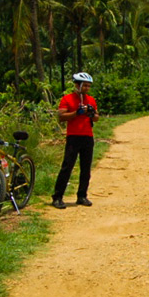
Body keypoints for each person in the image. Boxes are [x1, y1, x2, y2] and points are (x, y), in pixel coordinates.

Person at [52, 72, 100, 209]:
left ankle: (82, 196)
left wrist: (92, 113)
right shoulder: (67, 99)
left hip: (88, 136)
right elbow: (61, 116)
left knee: (86, 168)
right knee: (67, 167)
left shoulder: (91, 100)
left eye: (88, 86)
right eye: (84, 85)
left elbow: (96, 117)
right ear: (77, 85)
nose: (87, 88)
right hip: (73, 136)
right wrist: (75, 113)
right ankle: (57, 197)